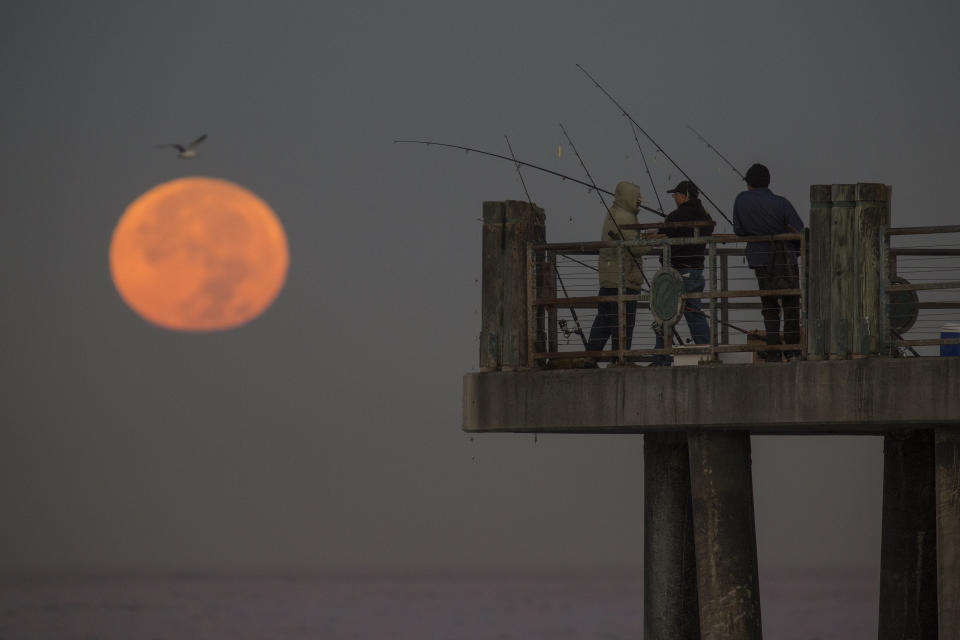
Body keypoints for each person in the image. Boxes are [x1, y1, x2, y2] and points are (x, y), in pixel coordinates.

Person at [732, 163, 805, 361]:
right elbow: (799, 231)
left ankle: (773, 349)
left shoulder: (741, 200)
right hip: (785, 260)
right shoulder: (782, 203)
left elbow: (738, 230)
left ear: (749, 183)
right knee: (790, 304)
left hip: (760, 259)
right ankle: (792, 350)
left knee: (769, 305)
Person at [650, 181, 715, 366]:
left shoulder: (677, 215)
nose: (674, 198)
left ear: (684, 195)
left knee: (665, 313)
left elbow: (659, 237)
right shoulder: (704, 215)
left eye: (676, 195)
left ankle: (661, 357)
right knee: (694, 312)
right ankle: (706, 352)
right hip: (696, 270)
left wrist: (651, 234)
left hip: (677, 273)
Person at [586, 181, 646, 359]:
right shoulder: (625, 217)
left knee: (604, 321)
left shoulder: (613, 212)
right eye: (637, 198)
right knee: (623, 324)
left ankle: (589, 356)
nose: (639, 202)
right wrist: (652, 241)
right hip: (623, 280)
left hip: (608, 280)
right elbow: (635, 248)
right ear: (629, 197)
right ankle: (619, 360)